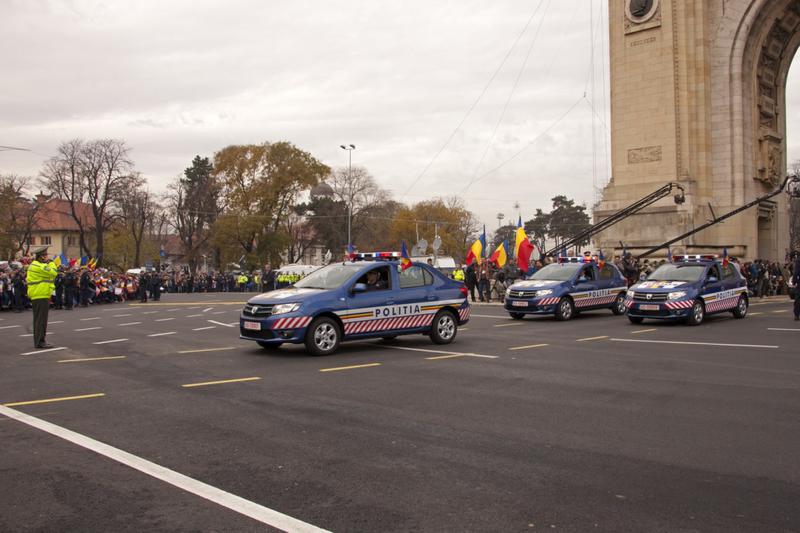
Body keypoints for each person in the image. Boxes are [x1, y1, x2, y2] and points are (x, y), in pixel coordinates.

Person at [26, 246, 57, 349]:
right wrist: (52, 263)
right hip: (40, 295)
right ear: (41, 257)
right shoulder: (38, 266)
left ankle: (40, 341)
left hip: (40, 295)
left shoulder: (37, 265)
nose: (47, 257)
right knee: (41, 321)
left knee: (40, 320)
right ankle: (40, 342)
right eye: (46, 255)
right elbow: (53, 272)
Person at [793, 252, 800, 321]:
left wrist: (794, 281)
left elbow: (796, 272)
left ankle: (797, 315)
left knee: (798, 299)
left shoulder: (798, 260)